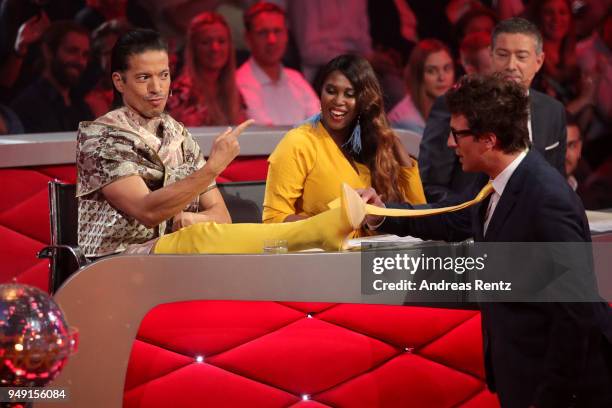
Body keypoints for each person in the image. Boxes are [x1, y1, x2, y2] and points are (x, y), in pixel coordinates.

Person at [361, 73, 612, 408]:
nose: (450, 143)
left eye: (458, 134)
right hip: (524, 377)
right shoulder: (498, 183)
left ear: (489, 140)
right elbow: (454, 218)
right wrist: (382, 214)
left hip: (562, 390)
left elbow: (575, 314)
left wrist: (550, 398)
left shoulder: (546, 198)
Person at [77, 28, 362, 257]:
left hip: (177, 257)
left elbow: (221, 217)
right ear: (119, 81)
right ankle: (318, 230)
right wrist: (212, 168)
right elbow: (147, 210)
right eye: (144, 78)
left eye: (163, 75)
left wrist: (193, 219)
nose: (157, 88)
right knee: (204, 238)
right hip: (117, 262)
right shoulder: (101, 138)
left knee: (214, 236)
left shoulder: (177, 133)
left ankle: (323, 230)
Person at [262, 54, 426, 227]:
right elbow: (273, 219)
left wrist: (398, 152)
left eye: (349, 94)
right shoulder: (299, 142)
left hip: (375, 252)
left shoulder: (375, 144)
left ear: (364, 100)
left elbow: (419, 218)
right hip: (325, 252)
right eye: (331, 91)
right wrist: (334, 223)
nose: (338, 101)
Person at [418, 18, 567, 203]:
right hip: (471, 224)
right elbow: (431, 184)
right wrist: (471, 213)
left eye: (521, 56)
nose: (511, 65)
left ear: (539, 61)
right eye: (503, 54)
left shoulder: (553, 111)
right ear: (491, 55)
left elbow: (558, 182)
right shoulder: (457, 104)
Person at [236, 2, 319, 126]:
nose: (272, 40)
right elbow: (264, 134)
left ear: (286, 35)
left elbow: (321, 124)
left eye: (277, 31)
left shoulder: (296, 78)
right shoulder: (239, 82)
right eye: (263, 33)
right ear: (248, 38)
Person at [10, 21, 93, 133]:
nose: (80, 61)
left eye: (85, 55)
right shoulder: (27, 105)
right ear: (48, 51)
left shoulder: (82, 107)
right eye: (72, 51)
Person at [166, 11, 246, 126]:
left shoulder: (234, 91)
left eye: (221, 41)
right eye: (205, 42)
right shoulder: (182, 93)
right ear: (193, 49)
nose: (215, 48)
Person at [388, 39, 455, 136]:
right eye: (432, 71)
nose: (442, 77)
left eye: (447, 68)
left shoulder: (448, 108)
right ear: (418, 76)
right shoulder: (407, 121)